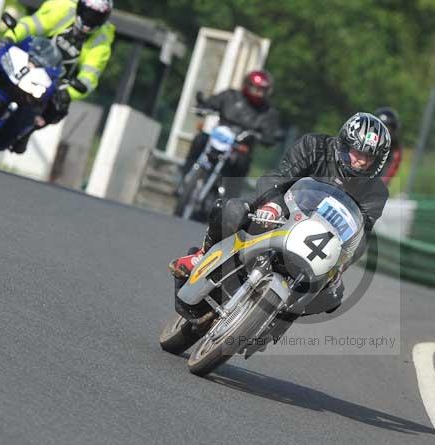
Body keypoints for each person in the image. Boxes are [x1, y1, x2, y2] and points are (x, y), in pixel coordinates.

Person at [170, 112, 392, 317]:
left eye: (368, 157)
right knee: (231, 209)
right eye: (357, 152)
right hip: (283, 215)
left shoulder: (376, 192)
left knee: (332, 296)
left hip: (320, 247)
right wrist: (272, 205)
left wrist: (342, 263)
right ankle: (202, 255)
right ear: (343, 144)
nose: (361, 161)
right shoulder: (314, 146)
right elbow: (279, 176)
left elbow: (362, 234)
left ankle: (273, 321)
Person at [0, 0, 115, 153]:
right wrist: (10, 38)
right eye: (88, 13)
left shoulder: (101, 42)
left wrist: (69, 92)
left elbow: (90, 76)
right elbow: (30, 25)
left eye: (96, 17)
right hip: (29, 57)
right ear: (80, 8)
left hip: (55, 79)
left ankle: (26, 131)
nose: (90, 20)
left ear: (105, 19)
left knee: (59, 107)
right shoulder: (63, 11)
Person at [182, 70, 282, 197]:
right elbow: (211, 103)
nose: (259, 93)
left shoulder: (268, 111)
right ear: (247, 85)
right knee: (200, 139)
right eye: (255, 88)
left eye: (262, 90)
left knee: (242, 162)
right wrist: (203, 106)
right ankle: (185, 174)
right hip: (218, 138)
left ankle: (229, 199)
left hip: (240, 147)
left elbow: (271, 133)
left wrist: (269, 137)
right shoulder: (230, 96)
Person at [374, 107, 402, 185]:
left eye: (389, 128)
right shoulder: (361, 139)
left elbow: (389, 173)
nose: (387, 131)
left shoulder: (394, 149)